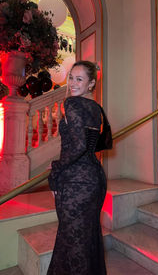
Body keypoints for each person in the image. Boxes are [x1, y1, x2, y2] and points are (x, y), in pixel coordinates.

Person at [47, 60, 112, 275]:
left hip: (76, 182)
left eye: (79, 79)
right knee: (87, 240)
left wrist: (55, 168)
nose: (73, 84)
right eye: (71, 78)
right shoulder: (96, 108)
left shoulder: (72, 104)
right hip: (94, 179)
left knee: (73, 244)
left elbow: (78, 146)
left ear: (91, 83)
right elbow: (90, 145)